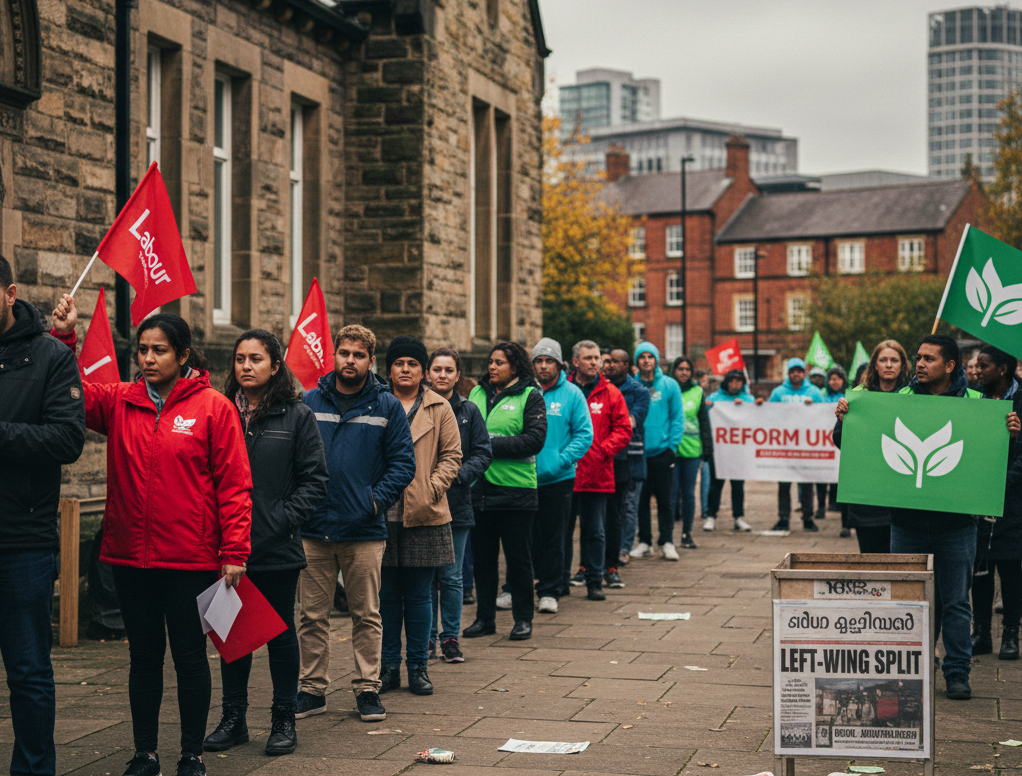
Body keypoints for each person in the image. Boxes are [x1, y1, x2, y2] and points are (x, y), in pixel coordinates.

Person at [52, 297, 251, 776]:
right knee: (143, 659)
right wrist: (64, 338)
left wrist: (235, 551)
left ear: (183, 355)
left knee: (188, 658)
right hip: (129, 559)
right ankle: (145, 753)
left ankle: (191, 754)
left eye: (159, 350)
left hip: (191, 559)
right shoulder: (121, 400)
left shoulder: (214, 408)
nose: (147, 359)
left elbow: (235, 483)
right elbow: (68, 393)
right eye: (142, 350)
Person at [200, 330, 328, 756]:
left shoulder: (297, 415)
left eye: (256, 358)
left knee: (279, 634)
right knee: (232, 633)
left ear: (275, 366)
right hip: (222, 546)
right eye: (239, 359)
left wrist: (280, 521)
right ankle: (233, 718)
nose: (246, 366)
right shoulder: (218, 411)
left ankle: (283, 719)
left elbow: (314, 481)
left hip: (276, 546)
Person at [297, 325, 416, 722]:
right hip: (314, 528)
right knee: (312, 615)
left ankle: (368, 688)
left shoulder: (386, 406)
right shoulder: (309, 401)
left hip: (364, 530)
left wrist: (374, 501)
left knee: (367, 614)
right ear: (334, 355)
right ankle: (312, 690)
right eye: (344, 352)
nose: (350, 360)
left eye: (358, 355)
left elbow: (403, 465)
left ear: (370, 360)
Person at [890, 335, 1017, 700]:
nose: (918, 364)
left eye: (928, 358)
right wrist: (845, 418)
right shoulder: (899, 401)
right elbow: (853, 442)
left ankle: (957, 672)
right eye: (917, 358)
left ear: (950, 366)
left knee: (957, 602)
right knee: (908, 600)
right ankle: (912, 669)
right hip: (908, 522)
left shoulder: (978, 403)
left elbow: (996, 465)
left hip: (957, 523)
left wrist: (1009, 437)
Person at [1, 260, 85, 776]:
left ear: (10, 293)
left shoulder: (51, 356)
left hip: (20, 541)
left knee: (28, 671)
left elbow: (66, 438)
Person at [378, 336, 461, 696]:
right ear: (389, 369)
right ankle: (387, 668)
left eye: (413, 363)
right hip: (381, 514)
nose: (406, 369)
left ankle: (418, 667)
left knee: (420, 596)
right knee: (385, 599)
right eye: (400, 363)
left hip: (424, 513)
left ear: (423, 371)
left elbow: (452, 456)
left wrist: (431, 487)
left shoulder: (439, 407)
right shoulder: (377, 404)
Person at [464, 342, 548, 641]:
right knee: (483, 561)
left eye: (499, 362)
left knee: (518, 561)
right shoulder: (476, 393)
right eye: (490, 362)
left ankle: (523, 619)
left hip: (516, 492)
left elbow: (534, 440)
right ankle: (485, 619)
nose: (491, 367)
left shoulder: (530, 396)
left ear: (514, 366)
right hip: (479, 490)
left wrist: (486, 445)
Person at [426, 348, 492, 662]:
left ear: (457, 375)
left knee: (452, 577)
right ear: (428, 373)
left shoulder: (469, 411)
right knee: (424, 577)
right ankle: (424, 637)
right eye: (437, 369)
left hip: (457, 504)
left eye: (448, 370)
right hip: (421, 503)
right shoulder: (414, 407)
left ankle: (449, 637)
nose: (442, 375)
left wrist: (459, 476)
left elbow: (483, 452)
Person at [530, 338, 592, 614]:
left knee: (555, 538)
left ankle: (550, 590)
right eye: (539, 361)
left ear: (559, 364)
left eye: (549, 361)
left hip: (558, 478)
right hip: (523, 478)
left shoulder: (572, 394)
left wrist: (561, 460)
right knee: (525, 538)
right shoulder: (526, 392)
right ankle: (517, 587)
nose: (544, 366)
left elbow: (584, 434)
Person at [566, 340, 631, 600]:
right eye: (589, 358)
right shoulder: (564, 390)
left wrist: (603, 451)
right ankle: (560, 581)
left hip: (597, 473)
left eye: (597, 358)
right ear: (575, 362)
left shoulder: (611, 392)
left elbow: (624, 429)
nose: (595, 362)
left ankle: (595, 580)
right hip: (566, 473)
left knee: (595, 531)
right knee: (563, 532)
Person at [834, 340, 911, 553]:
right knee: (873, 563)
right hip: (868, 500)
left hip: (902, 498)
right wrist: (842, 421)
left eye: (894, 360)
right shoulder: (859, 396)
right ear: (874, 365)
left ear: (902, 365)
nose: (889, 365)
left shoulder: (915, 396)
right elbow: (841, 442)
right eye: (883, 360)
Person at [973, 345, 1022, 661]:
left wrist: (1004, 482)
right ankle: (981, 633)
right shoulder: (974, 399)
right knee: (980, 570)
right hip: (977, 497)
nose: (977, 371)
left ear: (1003, 369)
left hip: (1012, 499)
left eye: (984, 366)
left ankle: (1010, 634)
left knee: (1010, 568)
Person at [630, 342, 683, 560]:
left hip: (662, 452)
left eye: (649, 356)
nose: (646, 360)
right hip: (638, 452)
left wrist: (672, 446)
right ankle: (644, 541)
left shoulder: (669, 385)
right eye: (641, 357)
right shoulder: (632, 385)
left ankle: (668, 541)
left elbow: (677, 418)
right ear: (637, 362)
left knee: (665, 499)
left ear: (656, 360)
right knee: (640, 500)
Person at [603, 348, 649, 576]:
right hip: (607, 455)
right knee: (608, 507)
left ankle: (623, 548)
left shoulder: (639, 391)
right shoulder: (600, 388)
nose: (610, 365)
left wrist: (608, 421)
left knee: (628, 505)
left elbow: (631, 422)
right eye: (609, 361)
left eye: (617, 362)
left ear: (628, 365)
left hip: (630, 455)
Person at [769, 358, 823, 532]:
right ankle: (783, 518)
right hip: (785, 446)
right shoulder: (778, 393)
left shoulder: (814, 392)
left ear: (804, 373)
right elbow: (767, 416)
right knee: (784, 484)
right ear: (789, 373)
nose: (796, 374)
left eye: (799, 371)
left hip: (806, 446)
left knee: (807, 484)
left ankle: (808, 518)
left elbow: (825, 415)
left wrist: (813, 407)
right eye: (793, 371)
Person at [669, 356, 712, 551]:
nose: (684, 372)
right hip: (670, 450)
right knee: (670, 494)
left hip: (692, 451)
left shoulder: (697, 392)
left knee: (688, 494)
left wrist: (707, 448)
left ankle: (687, 534)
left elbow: (704, 421)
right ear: (674, 370)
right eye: (680, 369)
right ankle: (667, 536)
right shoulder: (668, 388)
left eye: (687, 369)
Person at [704, 369, 753, 532]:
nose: (735, 384)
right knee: (715, 483)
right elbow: (704, 418)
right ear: (726, 382)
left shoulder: (748, 399)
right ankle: (711, 516)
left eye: (739, 381)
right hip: (718, 450)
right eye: (732, 381)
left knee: (738, 485)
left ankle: (738, 517)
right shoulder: (714, 398)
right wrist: (708, 408)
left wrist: (748, 406)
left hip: (739, 451)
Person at [821, 365, 849, 535]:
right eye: (831, 379)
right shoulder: (821, 396)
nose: (834, 382)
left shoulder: (850, 396)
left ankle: (846, 523)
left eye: (837, 378)